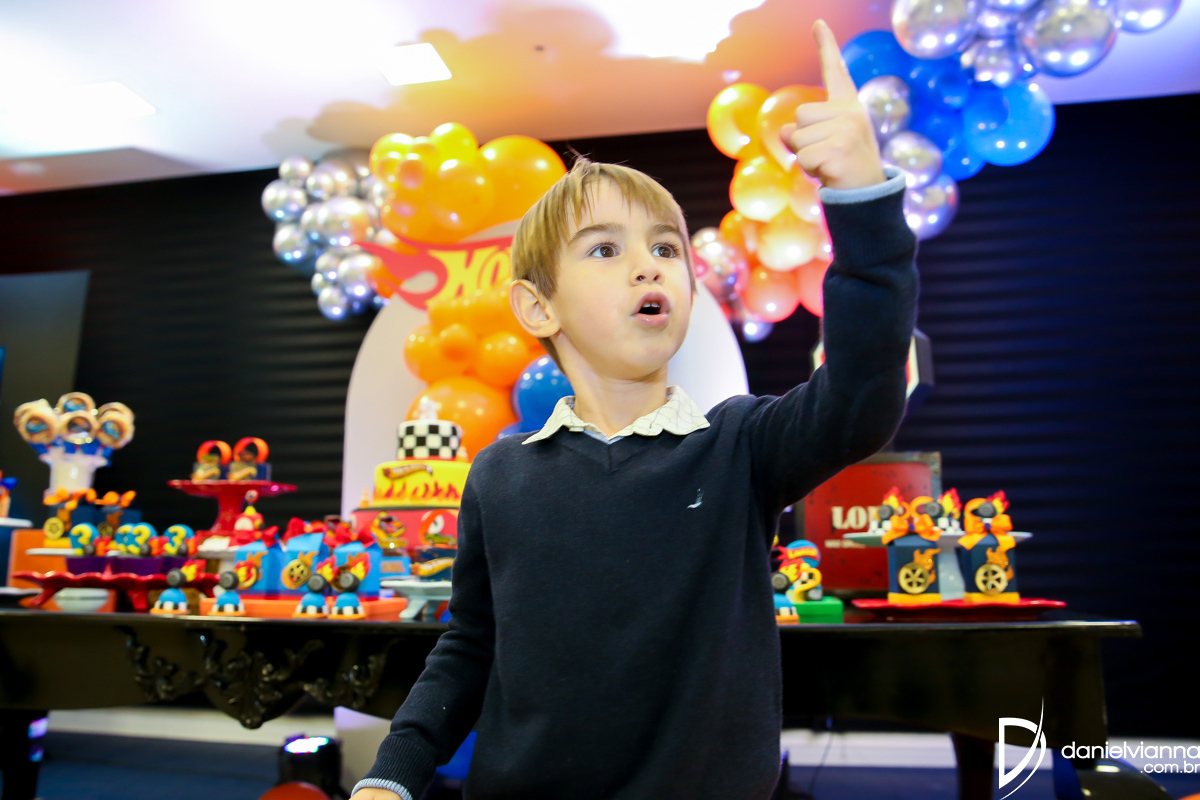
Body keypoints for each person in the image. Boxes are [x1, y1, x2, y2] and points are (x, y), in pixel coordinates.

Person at [352, 19, 917, 800]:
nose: (648, 265)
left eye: (665, 248)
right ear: (538, 306)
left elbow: (863, 392)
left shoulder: (740, 445)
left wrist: (862, 200)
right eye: (605, 249)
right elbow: (471, 645)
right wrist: (393, 773)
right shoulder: (500, 475)